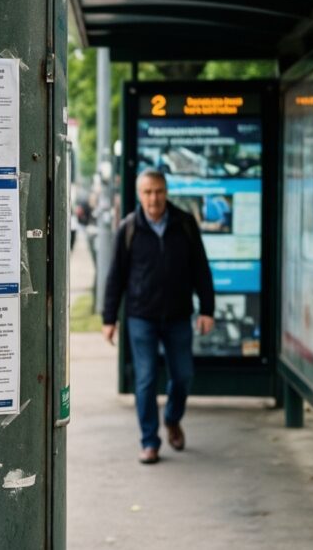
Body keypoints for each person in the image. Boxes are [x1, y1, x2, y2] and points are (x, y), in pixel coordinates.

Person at [101, 169, 215, 464]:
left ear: (166, 192)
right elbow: (115, 278)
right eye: (148, 192)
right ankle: (149, 441)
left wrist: (207, 310)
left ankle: (173, 419)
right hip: (142, 317)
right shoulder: (129, 228)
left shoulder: (185, 224)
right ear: (140, 195)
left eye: (159, 191)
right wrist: (109, 319)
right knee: (146, 379)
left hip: (178, 316)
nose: (154, 198)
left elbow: (201, 269)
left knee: (183, 376)